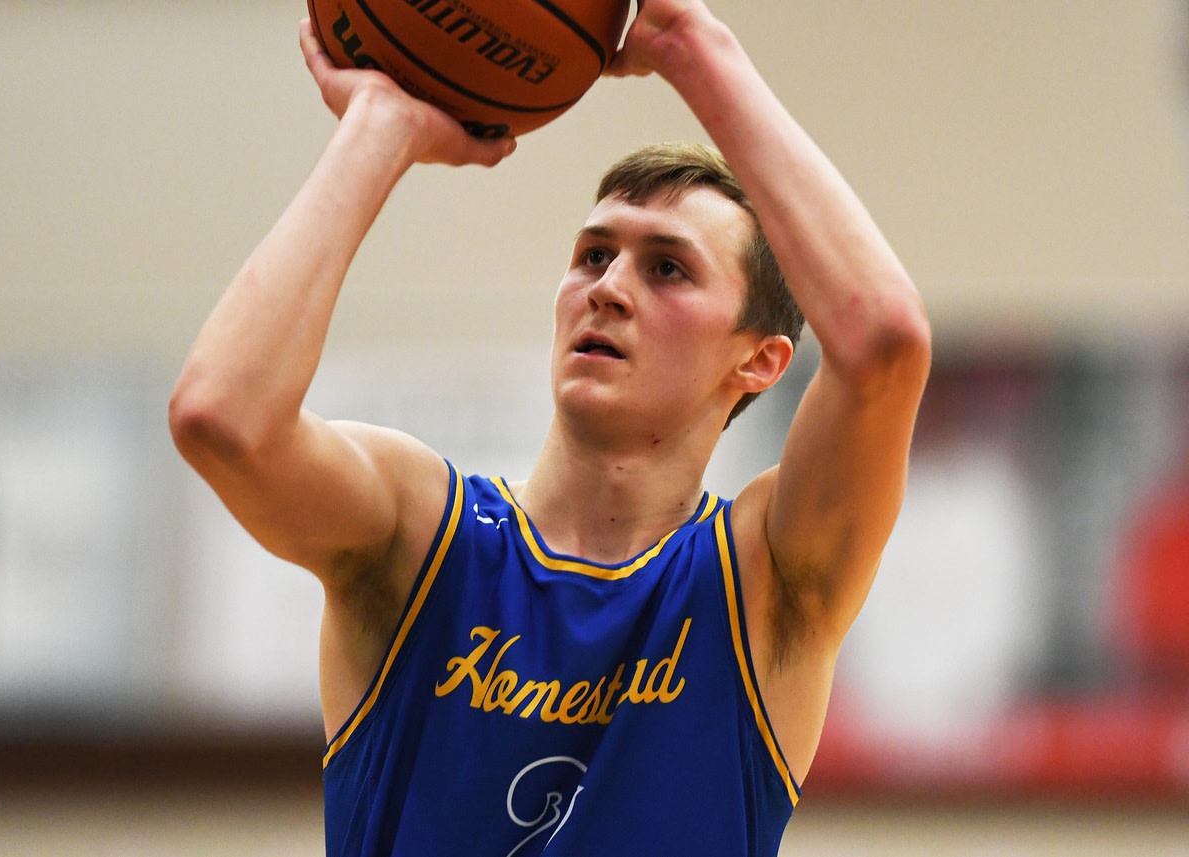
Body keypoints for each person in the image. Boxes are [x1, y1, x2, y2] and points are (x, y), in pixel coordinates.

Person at [169, 1, 931, 854]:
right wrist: (379, 128)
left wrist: (690, 46)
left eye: (668, 267)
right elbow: (222, 416)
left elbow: (886, 342)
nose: (607, 286)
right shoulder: (423, 533)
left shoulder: (764, 579)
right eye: (593, 254)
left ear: (757, 361)